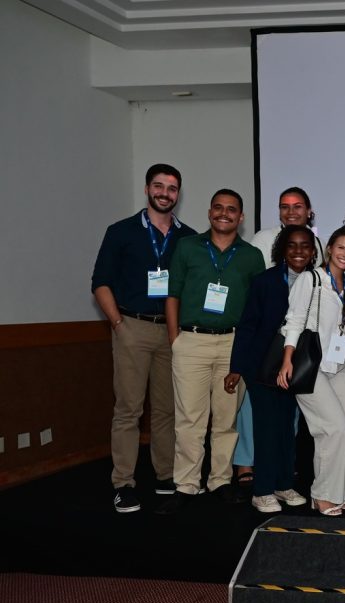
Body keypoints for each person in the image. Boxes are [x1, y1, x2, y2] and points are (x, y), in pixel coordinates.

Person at [91, 163, 197, 512]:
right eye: (159, 186)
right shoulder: (121, 231)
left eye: (172, 188)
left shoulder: (188, 238)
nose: (165, 193)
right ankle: (123, 483)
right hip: (132, 327)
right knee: (129, 410)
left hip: (172, 331)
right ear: (148, 189)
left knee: (167, 409)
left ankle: (165, 475)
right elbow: (100, 282)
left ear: (178, 194)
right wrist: (118, 324)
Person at [157, 189, 266, 514]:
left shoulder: (251, 256)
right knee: (190, 419)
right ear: (209, 212)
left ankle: (220, 481)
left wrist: (247, 350)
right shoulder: (188, 246)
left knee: (226, 419)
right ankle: (187, 484)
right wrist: (175, 339)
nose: (224, 213)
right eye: (218, 207)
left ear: (241, 217)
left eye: (231, 209)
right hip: (191, 342)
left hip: (233, 345)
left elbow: (256, 308)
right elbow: (173, 294)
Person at [226, 225, 316, 513]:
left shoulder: (317, 283)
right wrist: (237, 367)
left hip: (295, 369)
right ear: (282, 250)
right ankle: (262, 490)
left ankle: (283, 484)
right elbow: (248, 325)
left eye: (305, 245)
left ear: (313, 251)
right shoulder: (264, 281)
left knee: (287, 429)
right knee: (266, 428)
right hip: (261, 368)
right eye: (292, 245)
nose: (298, 251)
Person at [278, 227, 345, 516]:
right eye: (340, 248)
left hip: (338, 366)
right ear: (329, 249)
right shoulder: (311, 279)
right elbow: (294, 320)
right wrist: (287, 359)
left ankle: (341, 492)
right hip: (310, 366)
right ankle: (322, 495)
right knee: (333, 427)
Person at [250, 187, 325, 268]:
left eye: (297, 207)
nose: (291, 212)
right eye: (285, 207)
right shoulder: (263, 238)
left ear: (308, 211)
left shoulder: (319, 243)